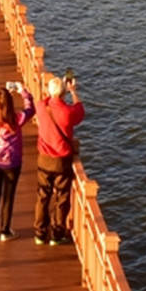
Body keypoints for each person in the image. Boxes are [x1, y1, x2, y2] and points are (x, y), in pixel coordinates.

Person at [33, 74, 85, 244]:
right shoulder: (68, 112)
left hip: (44, 159)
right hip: (61, 160)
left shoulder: (41, 106)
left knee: (43, 196)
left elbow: (46, 100)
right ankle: (57, 234)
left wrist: (53, 92)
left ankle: (40, 233)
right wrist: (73, 91)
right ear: (63, 94)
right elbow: (80, 110)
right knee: (61, 197)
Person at [0, 81, 34, 240]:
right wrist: (22, 92)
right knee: (8, 196)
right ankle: (5, 230)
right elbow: (31, 109)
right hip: (12, 162)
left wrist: (1, 99)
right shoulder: (17, 118)